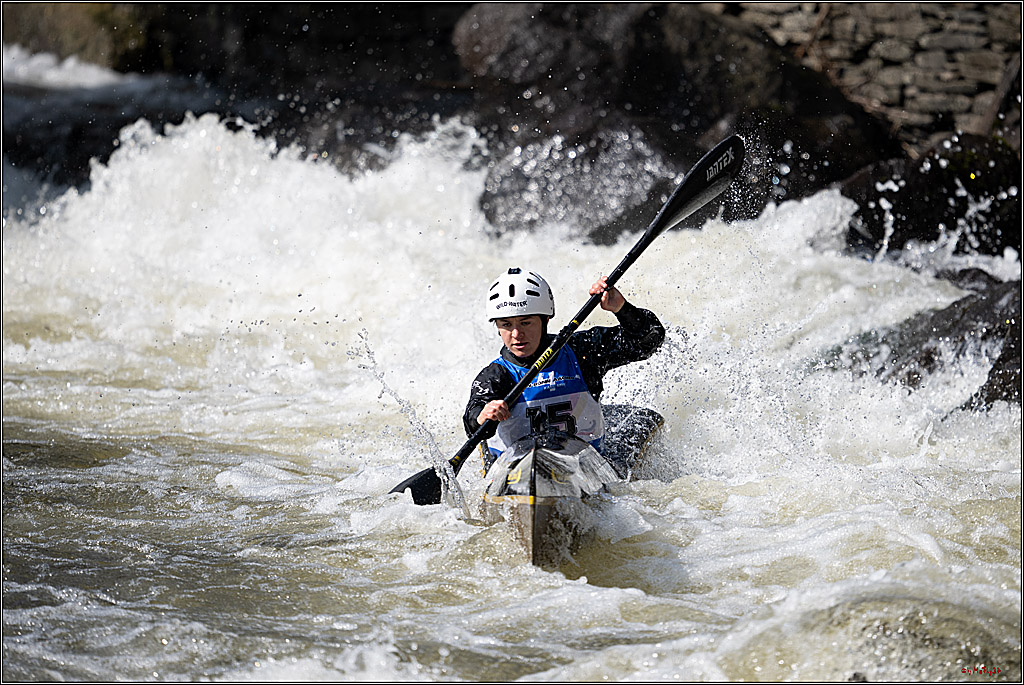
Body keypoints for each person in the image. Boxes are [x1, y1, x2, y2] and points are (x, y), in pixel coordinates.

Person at [463, 267, 665, 472]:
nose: (516, 334)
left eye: (526, 322)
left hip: (582, 468)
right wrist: (482, 416)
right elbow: (473, 416)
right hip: (517, 472)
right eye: (506, 324)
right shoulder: (496, 376)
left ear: (545, 320)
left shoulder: (581, 352)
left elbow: (648, 340)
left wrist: (621, 308)